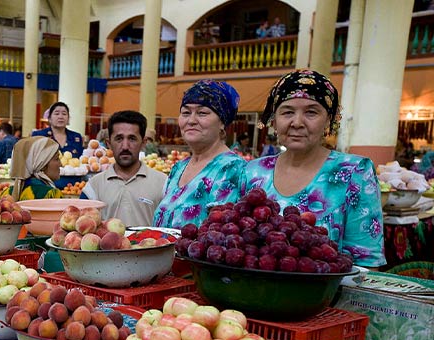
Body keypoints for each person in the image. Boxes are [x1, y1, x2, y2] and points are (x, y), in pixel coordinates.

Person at [239, 69, 385, 268]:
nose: (297, 123)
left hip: (328, 296)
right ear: (274, 120)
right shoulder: (254, 171)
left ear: (328, 120)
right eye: (287, 112)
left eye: (311, 112)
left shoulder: (354, 172)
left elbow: (366, 263)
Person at [152, 80, 244, 229]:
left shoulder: (232, 169)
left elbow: (220, 234)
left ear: (222, 123)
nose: (191, 120)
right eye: (186, 113)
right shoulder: (178, 168)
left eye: (202, 113)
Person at [81, 110, 167, 227]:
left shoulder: (163, 184)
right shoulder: (93, 187)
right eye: (119, 139)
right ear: (108, 143)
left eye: (132, 139)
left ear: (143, 143)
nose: (125, 146)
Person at [9, 136, 63, 200]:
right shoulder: (51, 194)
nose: (61, 164)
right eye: (57, 159)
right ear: (41, 164)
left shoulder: (7, 194)